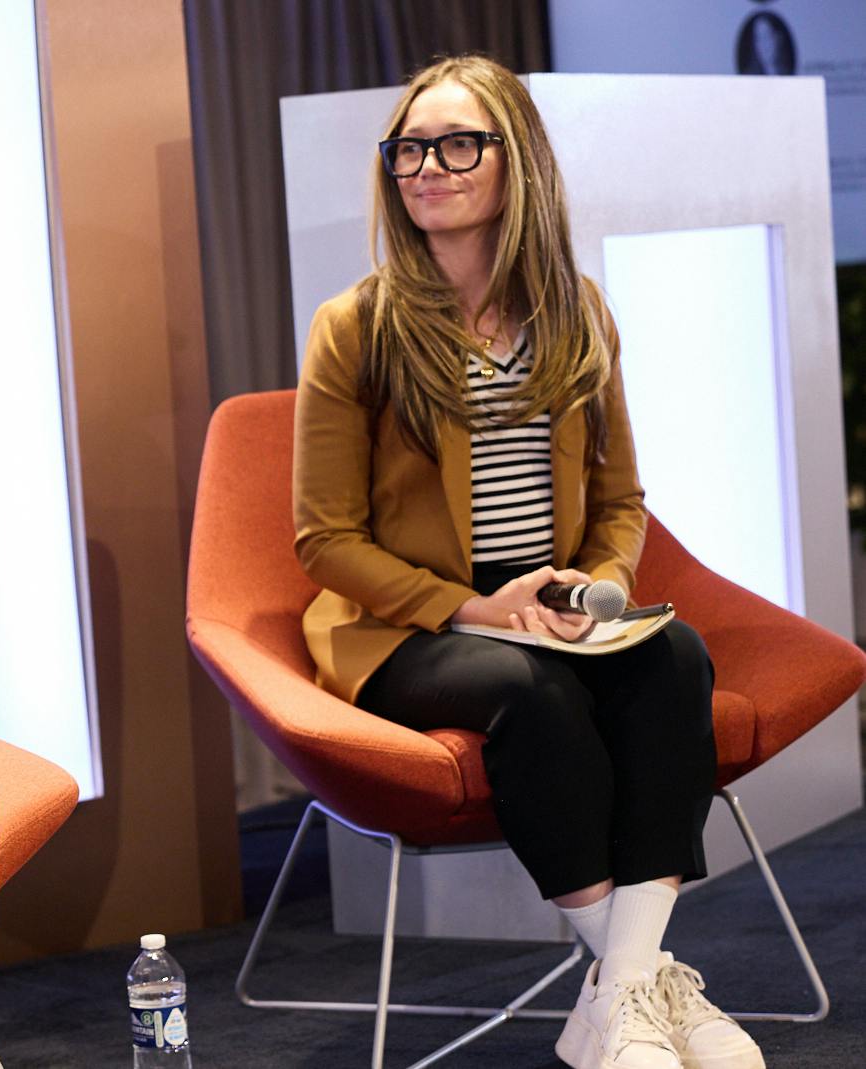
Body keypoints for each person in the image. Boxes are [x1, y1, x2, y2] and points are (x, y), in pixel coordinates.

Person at [293, 56, 760, 1069]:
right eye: (410, 147)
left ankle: (620, 995)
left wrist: (594, 591)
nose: (429, 166)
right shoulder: (355, 329)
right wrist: (477, 611)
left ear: (518, 163)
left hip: (548, 606)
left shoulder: (575, 309)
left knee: (673, 661)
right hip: (415, 627)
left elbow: (620, 502)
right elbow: (323, 540)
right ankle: (642, 989)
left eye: (458, 143)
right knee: (527, 689)